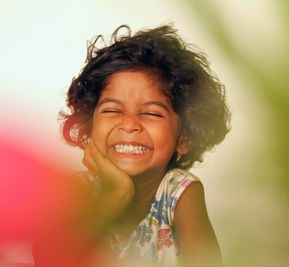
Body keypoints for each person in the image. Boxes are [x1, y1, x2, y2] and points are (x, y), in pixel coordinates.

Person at [35, 24, 230, 267]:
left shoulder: (179, 192)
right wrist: (118, 192)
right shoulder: (80, 191)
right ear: (89, 128)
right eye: (113, 110)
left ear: (184, 138)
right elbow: (46, 259)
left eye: (152, 113)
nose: (129, 125)